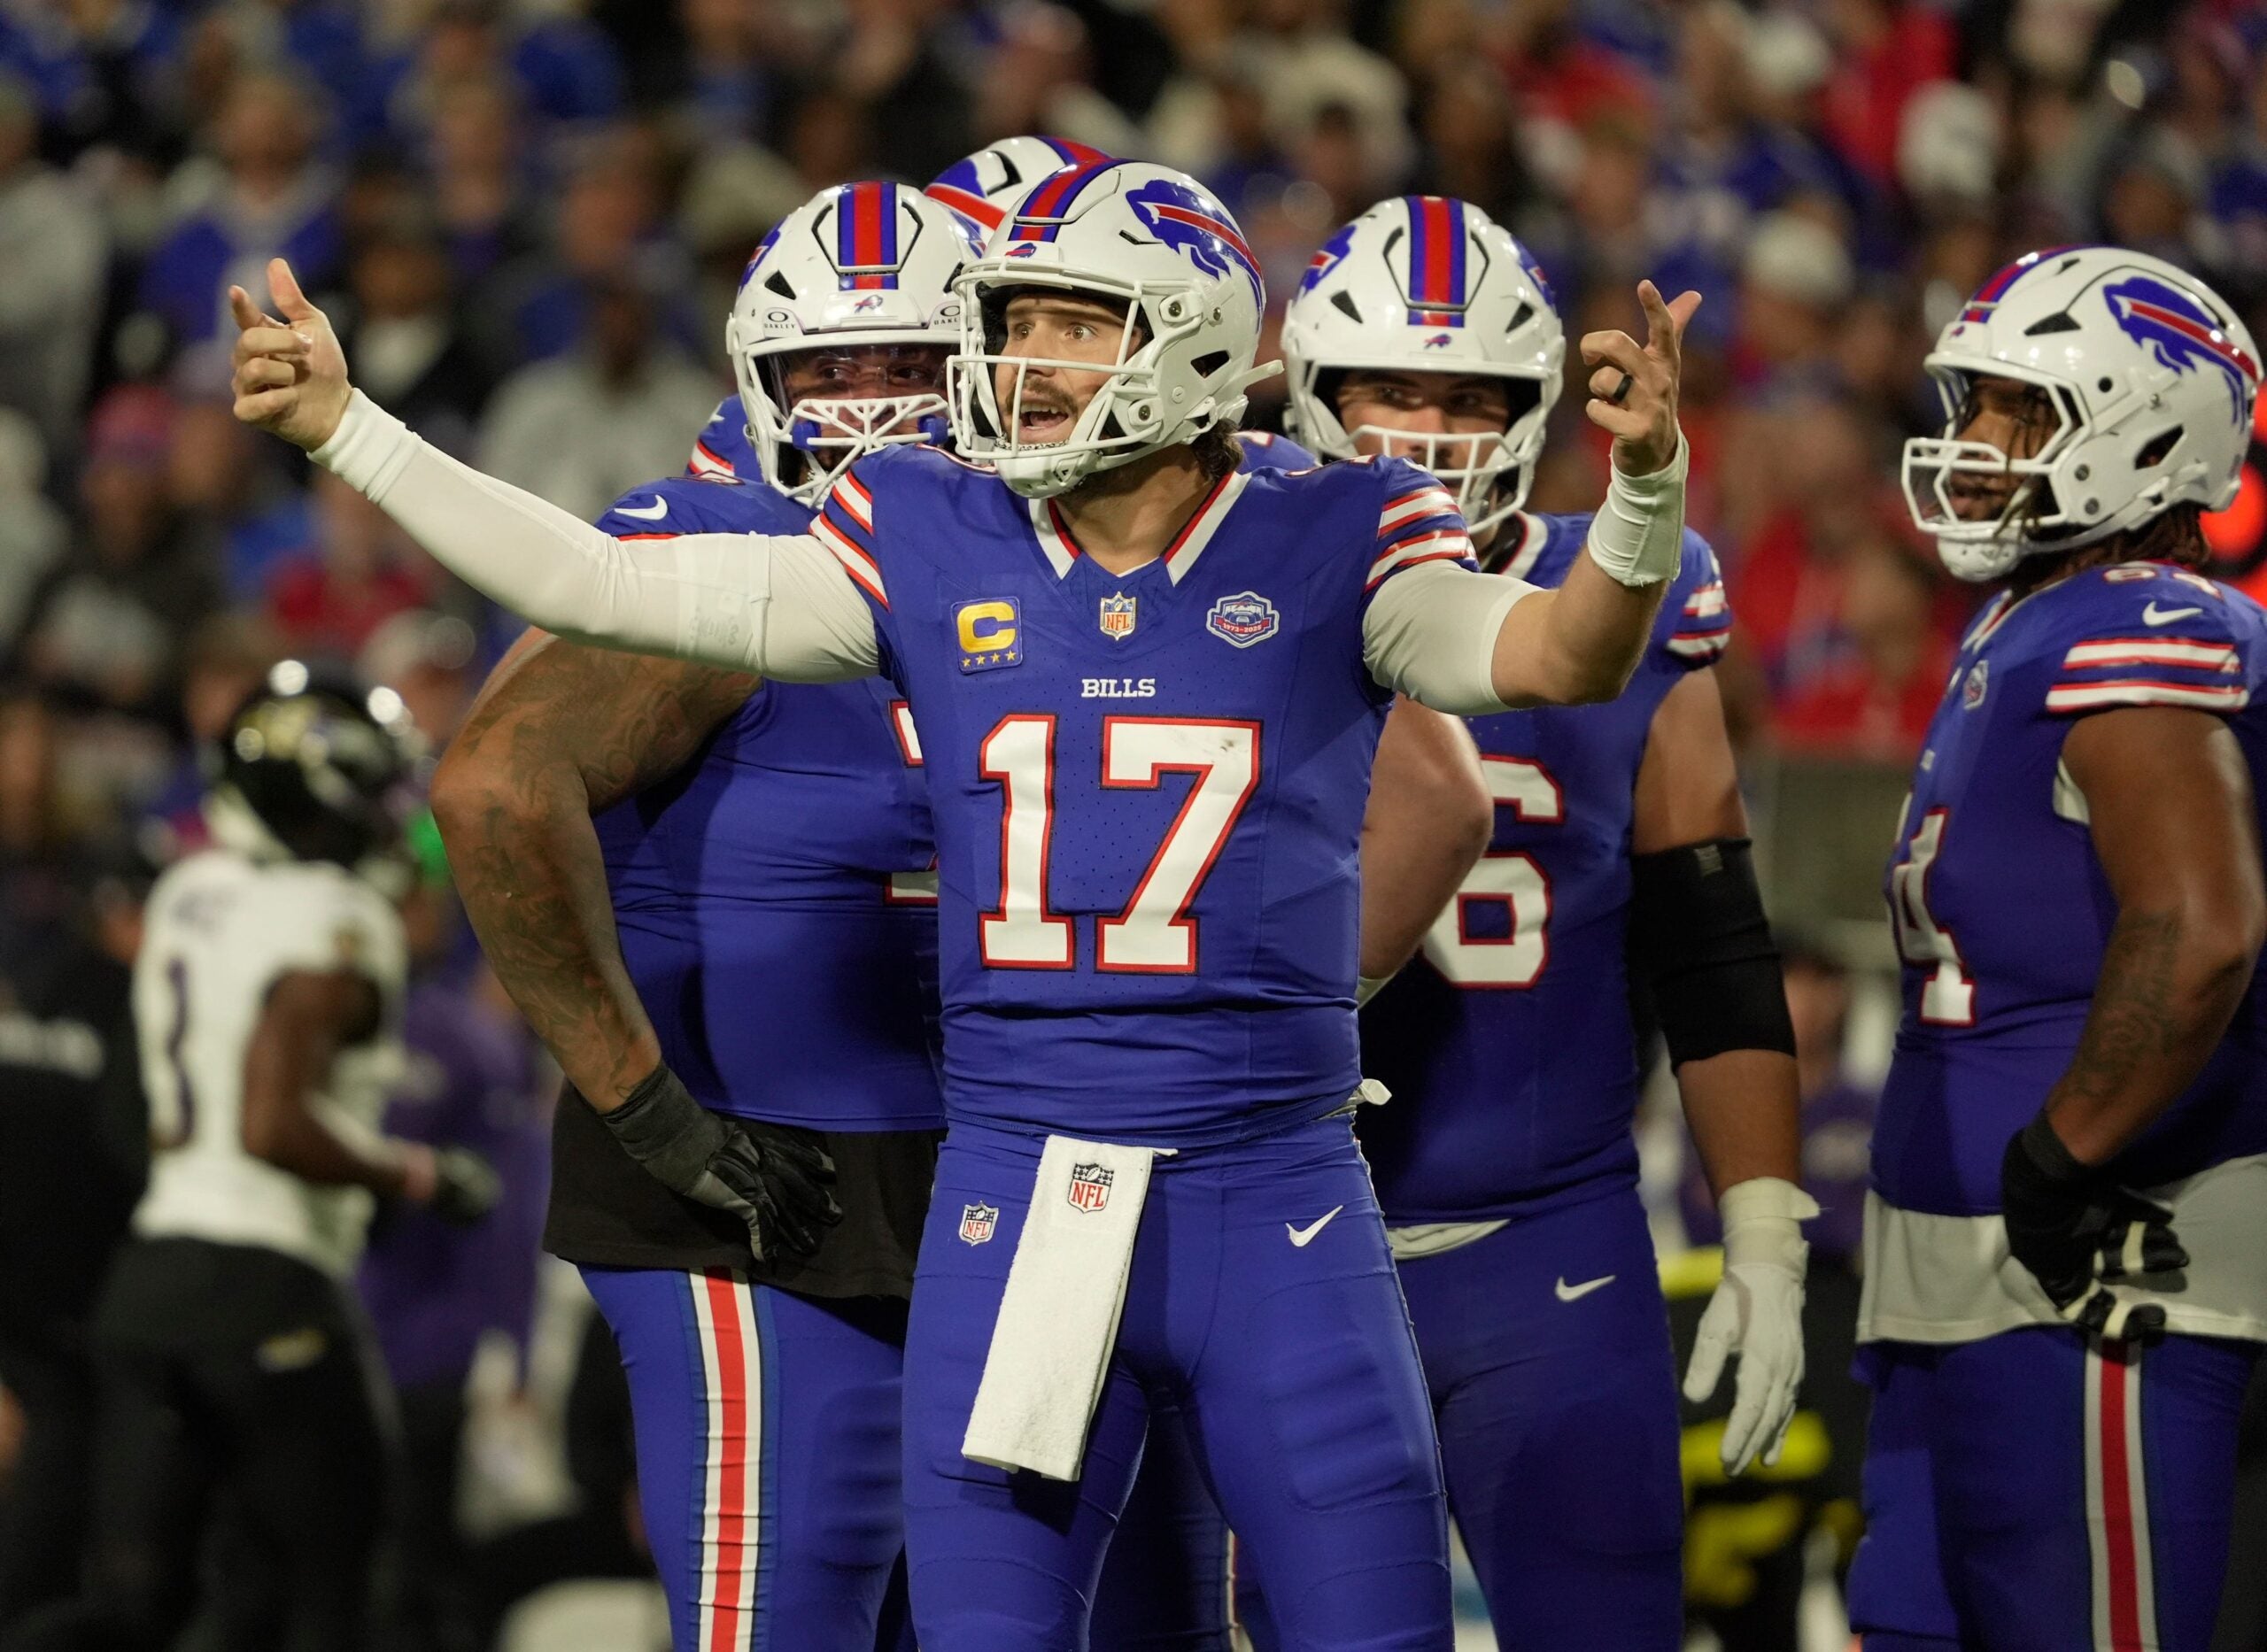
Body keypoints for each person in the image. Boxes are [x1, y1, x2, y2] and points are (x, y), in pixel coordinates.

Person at [228, 156, 1700, 1649]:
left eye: (1068, 324)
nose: (1019, 361)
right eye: (1016, 321)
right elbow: (603, 583)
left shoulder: (1332, 526)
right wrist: (353, 430)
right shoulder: (925, 527)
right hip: (1019, 1189)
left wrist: (1643, 499)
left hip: (1275, 1188)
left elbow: (1559, 660)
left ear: (1184, 337)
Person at [1213, 193, 1804, 1650]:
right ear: (1313, 395)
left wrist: (1766, 1229)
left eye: (1467, 393)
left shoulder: (1628, 595)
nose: (1426, 425)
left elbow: (1711, 935)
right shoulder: (1216, 586)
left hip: (1550, 1246)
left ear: (1536, 404)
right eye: (1389, 388)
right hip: (1287, 1245)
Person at [1849, 246, 2267, 1651]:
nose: (1975, 447)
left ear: (2148, 435)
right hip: (1958, 1282)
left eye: (2020, 417)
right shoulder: (2028, 620)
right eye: (1975, 408)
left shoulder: (2144, 623)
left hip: (2092, 1279)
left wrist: (2065, 1150)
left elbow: (2201, 926)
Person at [1, 666, 499, 1652]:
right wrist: (420, 1175)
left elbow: (144, 1110)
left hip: (148, 1290)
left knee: (137, 1610)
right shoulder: (335, 917)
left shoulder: (188, 889)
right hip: (269, 1291)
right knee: (340, 1600)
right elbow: (274, 1125)